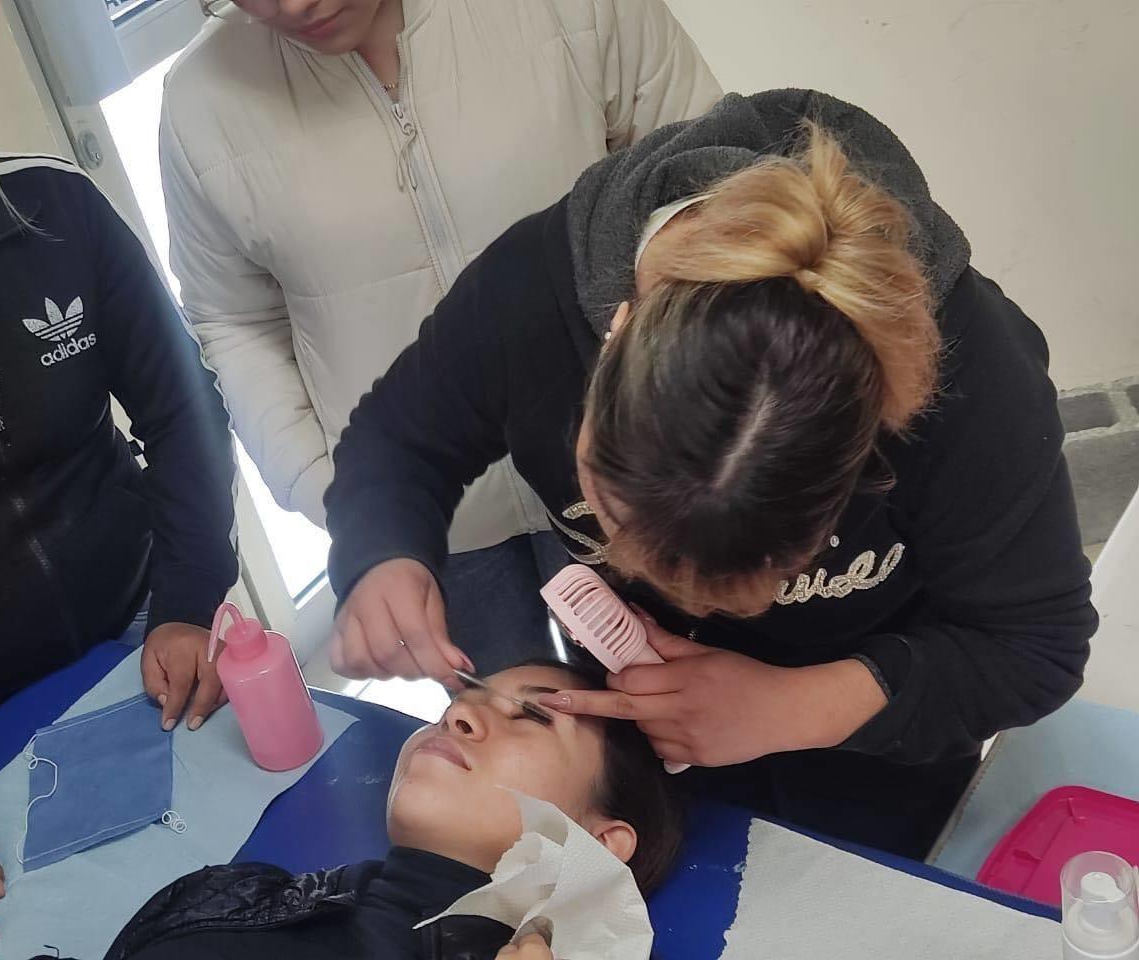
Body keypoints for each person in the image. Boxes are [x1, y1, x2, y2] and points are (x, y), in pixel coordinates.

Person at [323, 90, 1098, 859]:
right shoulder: (529, 297)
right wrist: (384, 551)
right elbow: (398, 442)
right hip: (651, 750)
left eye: (757, 570)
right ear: (617, 327)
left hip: (881, 753)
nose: (681, 601)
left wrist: (796, 706)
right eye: (617, 527)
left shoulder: (973, 382)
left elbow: (1034, 647)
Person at [159, 0, 721, 673]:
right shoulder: (201, 104)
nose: (294, 4)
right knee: (508, 752)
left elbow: (712, 192)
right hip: (424, 521)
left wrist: (694, 430)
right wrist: (337, 492)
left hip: (634, 477)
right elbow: (234, 319)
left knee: (678, 726)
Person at [0, 5, 239, 959]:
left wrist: (188, 602)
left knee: (239, 897)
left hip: (146, 648)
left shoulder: (54, 213)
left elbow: (184, 414)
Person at [66, 661, 683, 960]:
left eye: (533, 716)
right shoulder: (273, 896)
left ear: (601, 844)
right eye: (463, 698)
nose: (456, 714)